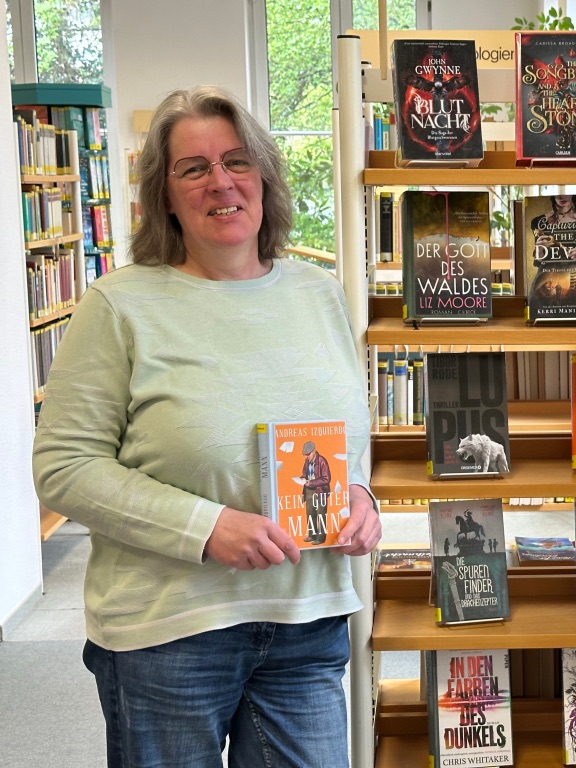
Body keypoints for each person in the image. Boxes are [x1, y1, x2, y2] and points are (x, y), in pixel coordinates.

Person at [33, 85, 381, 768]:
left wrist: (361, 499)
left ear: (264, 178)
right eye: (194, 168)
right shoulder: (118, 305)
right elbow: (64, 467)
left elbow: (348, 437)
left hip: (307, 619)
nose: (221, 181)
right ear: (164, 194)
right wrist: (205, 528)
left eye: (237, 161)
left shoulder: (320, 293)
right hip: (169, 630)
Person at [300, 439, 331, 545]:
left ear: (314, 451)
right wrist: (302, 479)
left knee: (321, 515)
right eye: (306, 454)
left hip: (320, 491)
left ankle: (321, 538)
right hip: (308, 491)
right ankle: (311, 535)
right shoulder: (307, 461)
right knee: (310, 514)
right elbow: (305, 474)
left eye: (308, 454)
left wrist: (311, 482)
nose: (307, 456)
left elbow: (326, 478)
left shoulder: (322, 461)